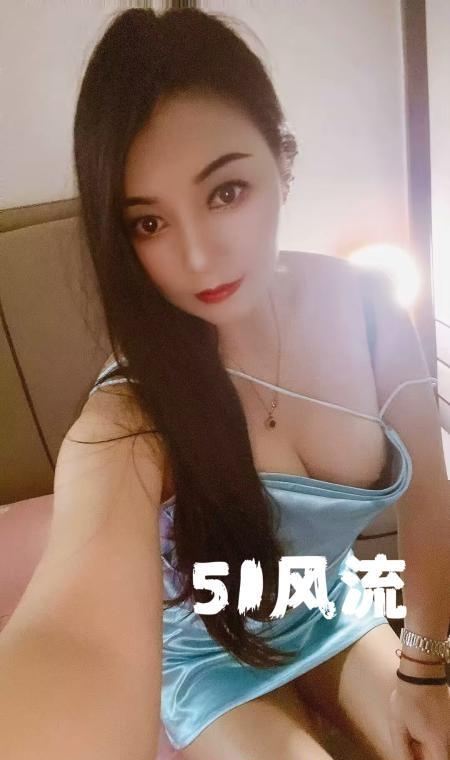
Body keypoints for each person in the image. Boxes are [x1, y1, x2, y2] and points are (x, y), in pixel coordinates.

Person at [0, 7, 448, 760]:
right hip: (202, 653)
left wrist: (426, 667)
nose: (200, 259)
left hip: (328, 604)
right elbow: (78, 635)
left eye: (225, 192)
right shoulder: (129, 413)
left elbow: (430, 496)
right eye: (149, 224)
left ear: (282, 158)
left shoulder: (372, 308)